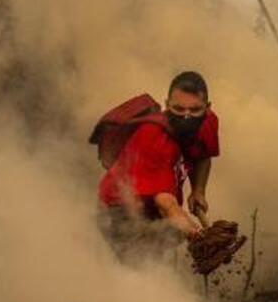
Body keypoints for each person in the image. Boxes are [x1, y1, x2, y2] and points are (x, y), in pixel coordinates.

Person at [94, 71, 220, 255]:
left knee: (171, 235)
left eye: (194, 110)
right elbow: (166, 203)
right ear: (167, 106)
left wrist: (198, 190)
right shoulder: (154, 138)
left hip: (151, 206)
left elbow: (202, 155)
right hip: (118, 211)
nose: (187, 117)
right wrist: (199, 235)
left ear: (207, 108)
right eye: (178, 109)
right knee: (147, 258)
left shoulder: (208, 121)